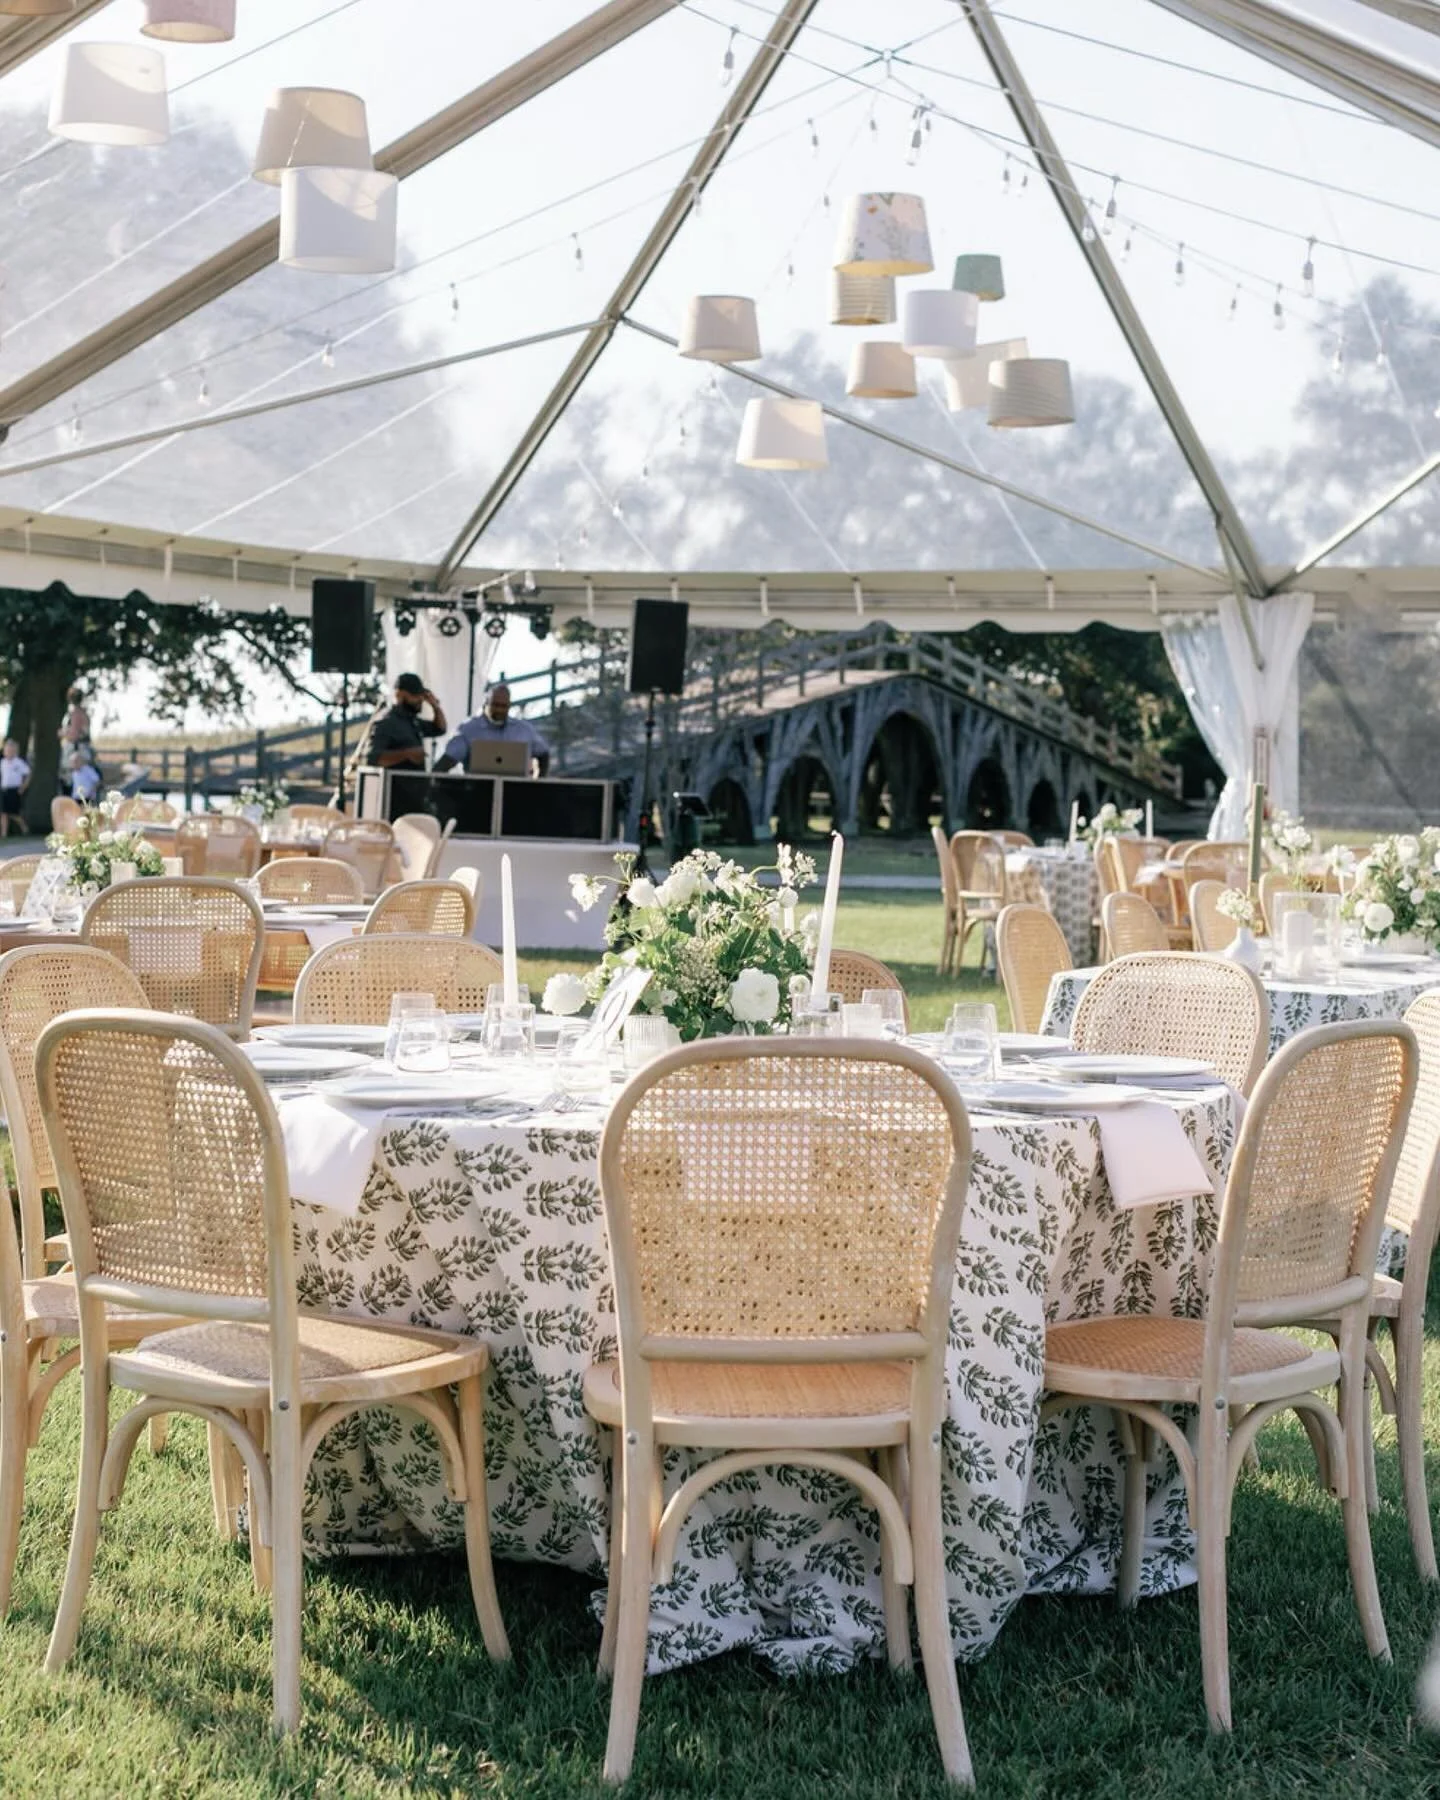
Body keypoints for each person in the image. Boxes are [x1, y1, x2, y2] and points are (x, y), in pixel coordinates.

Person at [435, 684, 551, 775]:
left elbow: (543, 753)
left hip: (516, 793)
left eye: (503, 706)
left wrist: (538, 785)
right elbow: (448, 759)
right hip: (477, 792)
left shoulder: (523, 730)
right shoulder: (469, 729)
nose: (499, 710)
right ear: (486, 704)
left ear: (509, 706)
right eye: (495, 705)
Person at [364, 673, 448, 770]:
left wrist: (435, 706)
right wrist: (406, 754)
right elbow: (374, 758)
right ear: (400, 695)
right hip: (392, 784)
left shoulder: (413, 721)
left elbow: (440, 729)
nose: (421, 699)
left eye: (422, 695)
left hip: (415, 783)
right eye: (415, 695)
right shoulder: (386, 722)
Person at [0, 738, 29, 838]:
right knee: (3, 813)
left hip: (14, 790)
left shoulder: (18, 762)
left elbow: (27, 774)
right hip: (4, 790)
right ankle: (4, 833)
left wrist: (23, 787)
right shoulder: (2, 762)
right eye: (7, 750)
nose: (9, 752)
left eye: (11, 750)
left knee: (14, 813)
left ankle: (24, 828)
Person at [59, 686, 91, 759]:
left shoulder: (76, 714)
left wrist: (63, 733)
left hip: (76, 749)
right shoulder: (82, 713)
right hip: (80, 747)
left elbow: (75, 734)